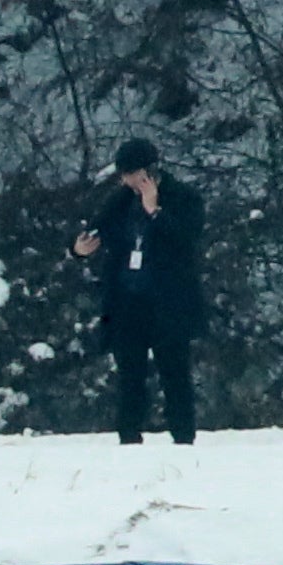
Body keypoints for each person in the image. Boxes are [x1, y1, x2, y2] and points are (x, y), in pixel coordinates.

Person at [69, 145, 206, 444]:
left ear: (150, 170)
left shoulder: (184, 197)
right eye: (124, 175)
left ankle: (183, 439)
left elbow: (187, 239)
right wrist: (78, 249)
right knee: (130, 375)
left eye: (132, 174)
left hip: (169, 303)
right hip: (127, 302)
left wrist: (154, 211)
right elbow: (94, 229)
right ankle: (128, 438)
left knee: (175, 373)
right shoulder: (118, 202)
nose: (127, 182)